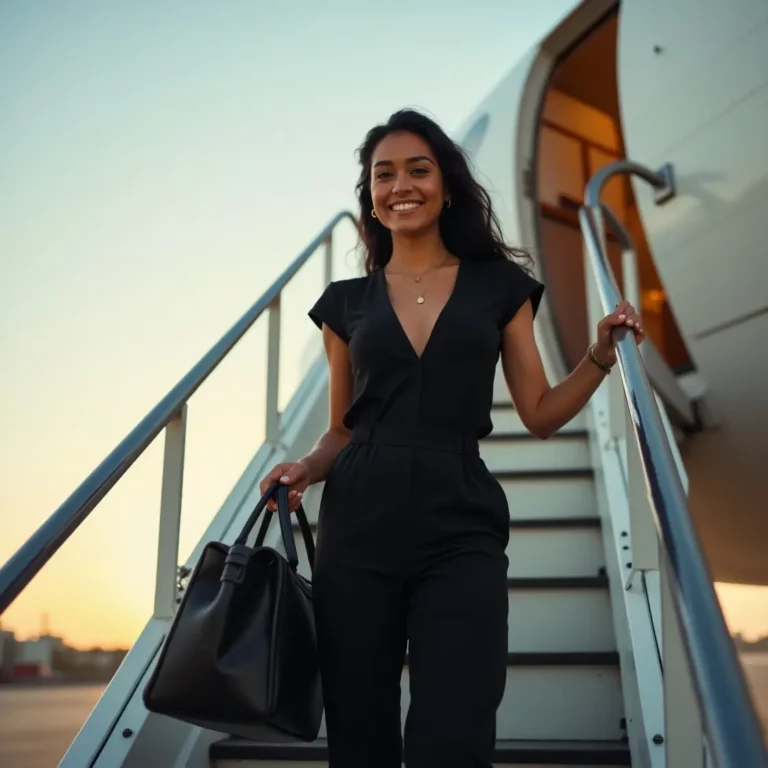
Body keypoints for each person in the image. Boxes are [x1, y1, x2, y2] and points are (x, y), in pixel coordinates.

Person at [259, 108, 644, 768]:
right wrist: (304, 467)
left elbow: (542, 414)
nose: (399, 185)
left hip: (460, 525)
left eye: (418, 169)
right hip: (358, 527)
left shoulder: (501, 287)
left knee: (455, 737)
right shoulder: (344, 304)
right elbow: (342, 430)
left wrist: (600, 356)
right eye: (384, 175)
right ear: (371, 198)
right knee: (361, 739)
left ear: (447, 187)